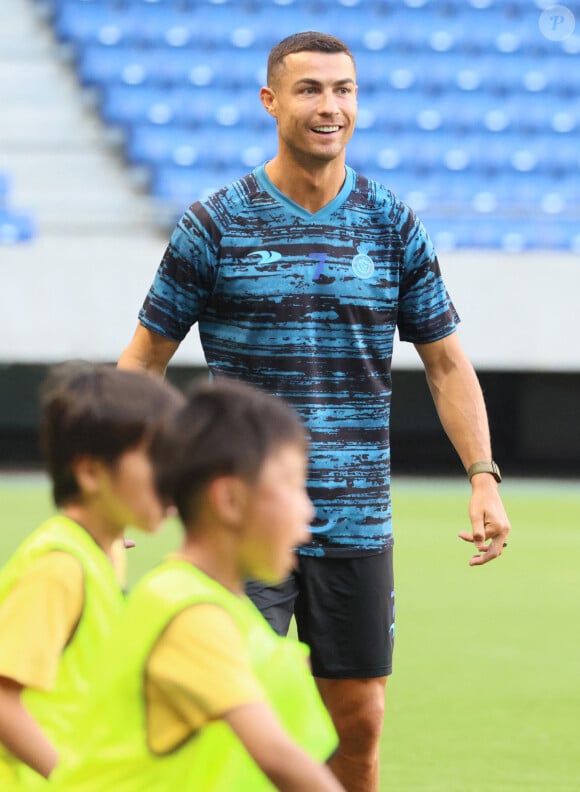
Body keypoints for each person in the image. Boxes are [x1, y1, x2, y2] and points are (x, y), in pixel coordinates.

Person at [117, 31, 512, 792]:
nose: (330, 106)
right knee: (231, 720)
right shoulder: (215, 224)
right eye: (310, 90)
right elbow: (142, 361)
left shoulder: (392, 222)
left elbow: (445, 360)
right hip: (238, 514)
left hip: (355, 518)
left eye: (344, 90)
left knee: (358, 726)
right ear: (271, 101)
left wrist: (484, 475)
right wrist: (129, 480)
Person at [50, 378, 344, 792]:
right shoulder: (190, 614)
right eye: (294, 485)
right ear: (229, 500)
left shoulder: (216, 603)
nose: (309, 510)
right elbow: (281, 759)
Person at [0, 362, 183, 789]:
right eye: (158, 460)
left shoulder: (99, 551)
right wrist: (75, 779)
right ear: (90, 472)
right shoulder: (60, 567)